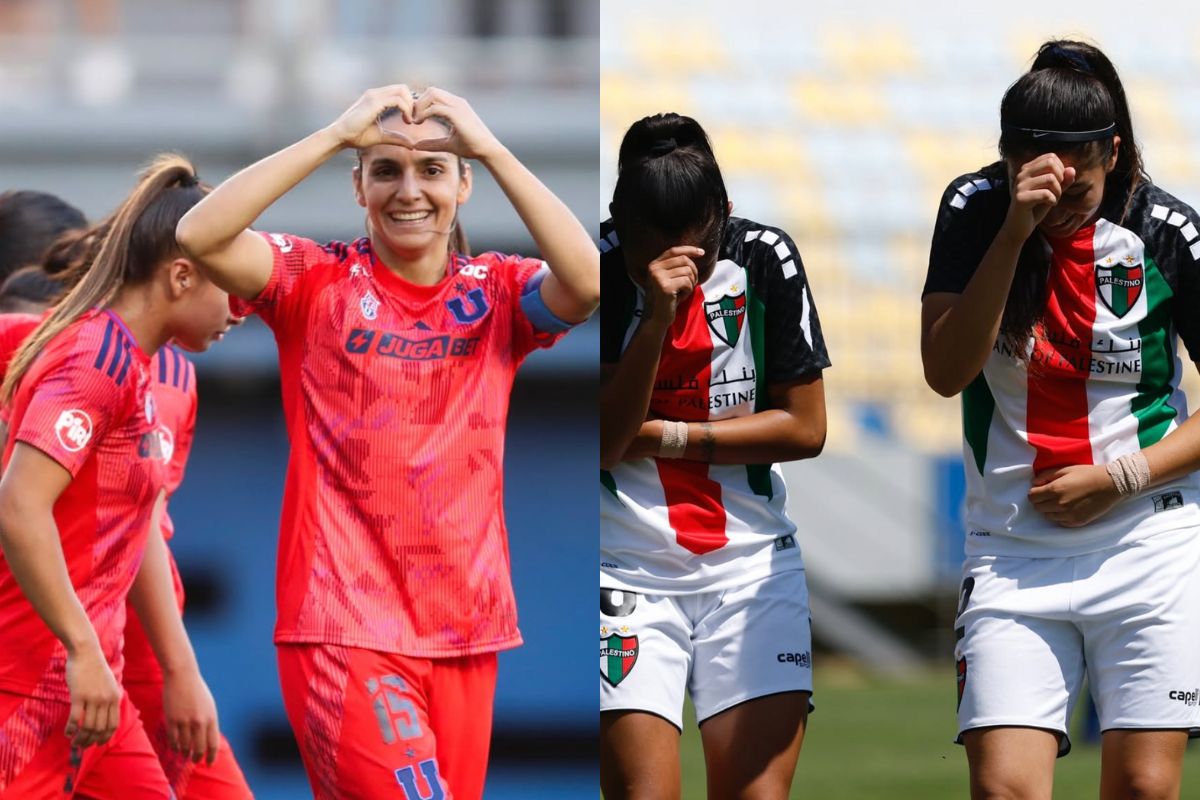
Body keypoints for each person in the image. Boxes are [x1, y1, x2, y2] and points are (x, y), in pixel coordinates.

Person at [175, 84, 599, 799]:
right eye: (385, 170)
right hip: (345, 624)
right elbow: (200, 236)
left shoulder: (498, 292)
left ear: (463, 185)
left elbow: (586, 284)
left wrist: (490, 147)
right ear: (359, 187)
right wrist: (334, 133)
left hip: (467, 630)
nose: (410, 190)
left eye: (433, 169)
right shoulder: (314, 280)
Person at [922, 39, 1200, 799]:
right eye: (1045, 183)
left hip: (1149, 543)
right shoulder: (976, 209)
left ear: (1113, 153)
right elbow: (945, 372)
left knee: (1144, 788)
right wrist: (1015, 230)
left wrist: (1121, 477)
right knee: (1004, 789)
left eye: (1082, 188)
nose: (1063, 204)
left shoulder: (1167, 230)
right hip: (1012, 550)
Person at [598, 113, 830, 799]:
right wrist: (655, 318)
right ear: (620, 222)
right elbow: (605, 444)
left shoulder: (765, 257)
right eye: (648, 254)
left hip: (752, 566)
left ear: (720, 214)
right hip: (623, 568)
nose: (677, 270)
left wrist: (668, 435)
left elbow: (806, 429)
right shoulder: (594, 265)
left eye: (696, 253)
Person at [0, 155, 238, 798]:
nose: (243, 307)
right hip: (32, 680)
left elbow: (139, 527)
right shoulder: (92, 359)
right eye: (232, 284)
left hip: (95, 684)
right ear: (181, 276)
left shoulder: (140, 365)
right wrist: (82, 649)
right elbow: (19, 506)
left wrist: (178, 668)